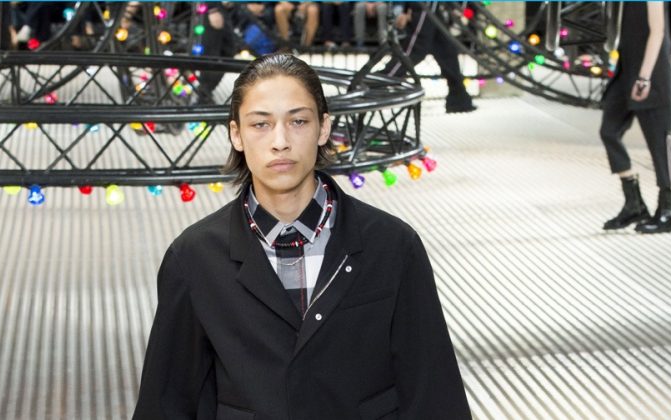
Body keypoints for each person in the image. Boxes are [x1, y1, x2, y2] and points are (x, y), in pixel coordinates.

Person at [132, 53, 471, 419]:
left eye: (298, 121)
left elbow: (434, 394)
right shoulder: (195, 259)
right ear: (236, 134)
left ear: (323, 128)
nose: (280, 141)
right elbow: (166, 403)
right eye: (260, 124)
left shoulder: (392, 246)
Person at [600, 2, 671, 234]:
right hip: (626, 70)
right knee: (609, 130)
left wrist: (644, 77)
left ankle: (666, 212)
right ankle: (634, 204)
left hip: (651, 73)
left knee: (660, 144)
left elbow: (657, 32)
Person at [384, 3, 476, 114]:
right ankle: (379, 81)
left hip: (434, 7)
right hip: (423, 5)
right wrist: (400, 9)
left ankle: (459, 99)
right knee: (415, 49)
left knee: (446, 49)